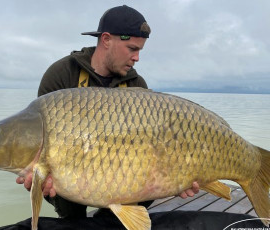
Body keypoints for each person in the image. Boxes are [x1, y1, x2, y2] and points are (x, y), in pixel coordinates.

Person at [16, 5, 200, 219]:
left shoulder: (136, 83)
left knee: (145, 182)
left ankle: (112, 220)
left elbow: (150, 142)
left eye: (140, 50)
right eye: (132, 49)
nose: (137, 58)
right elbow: (39, 134)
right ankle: (73, 220)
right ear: (106, 40)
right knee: (66, 200)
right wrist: (36, 175)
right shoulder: (61, 74)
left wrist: (180, 176)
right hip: (68, 165)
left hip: (122, 166)